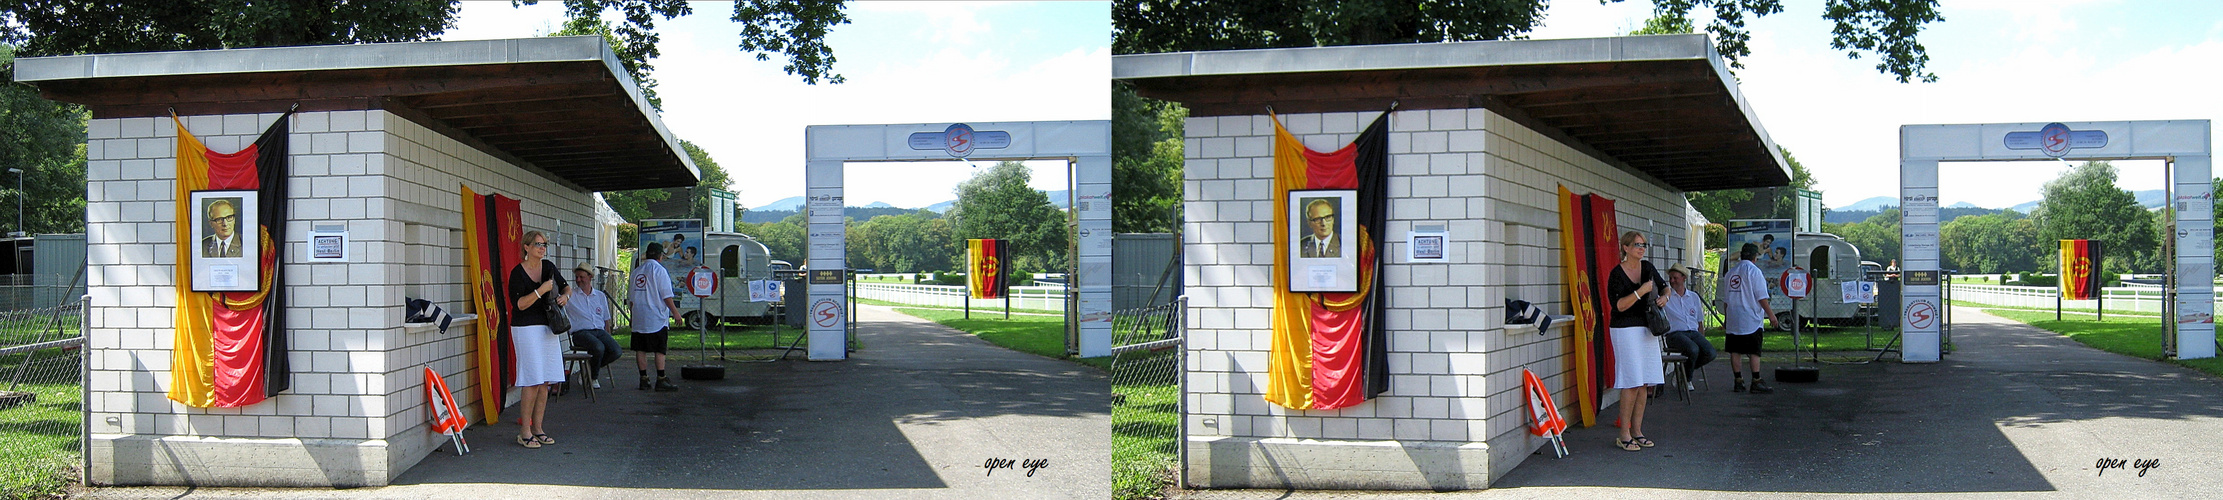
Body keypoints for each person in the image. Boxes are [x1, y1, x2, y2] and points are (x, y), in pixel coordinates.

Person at [1605, 231, 1667, 451]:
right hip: (1625, 328)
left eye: (1644, 245)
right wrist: (1641, 291)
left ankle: (1637, 431)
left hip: (1647, 327)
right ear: (1626, 248)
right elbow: (1619, 306)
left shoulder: (1648, 267)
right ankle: (1624, 433)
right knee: (1631, 381)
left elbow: (1664, 285)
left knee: (1644, 382)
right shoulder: (1616, 274)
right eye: (1637, 245)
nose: (1641, 248)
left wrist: (1664, 297)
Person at [507, 230, 568, 449]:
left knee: (545, 381)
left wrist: (565, 296)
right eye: (538, 244)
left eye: (544, 245)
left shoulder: (549, 267)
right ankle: (524, 432)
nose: (542, 248)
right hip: (525, 328)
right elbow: (520, 304)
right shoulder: (517, 273)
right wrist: (541, 291)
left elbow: (565, 285)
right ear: (526, 247)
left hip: (547, 327)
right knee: (532, 379)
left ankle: (538, 428)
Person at [1722, 242, 1776, 394]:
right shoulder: (1755, 272)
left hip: (1733, 317)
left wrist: (1727, 319)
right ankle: (1756, 380)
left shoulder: (1730, 273)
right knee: (1754, 351)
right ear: (1755, 257)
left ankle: (1738, 381)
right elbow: (1762, 297)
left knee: (1735, 350)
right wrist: (1771, 315)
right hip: (1750, 317)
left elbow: (1726, 300)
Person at [630, 242, 682, 392]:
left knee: (640, 348)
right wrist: (676, 313)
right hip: (656, 317)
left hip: (639, 316)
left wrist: (633, 316)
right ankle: (661, 378)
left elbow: (632, 298)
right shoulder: (660, 271)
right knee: (659, 349)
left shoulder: (636, 272)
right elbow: (666, 296)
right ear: (660, 256)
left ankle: (644, 379)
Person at [562, 262, 619, 389]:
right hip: (580, 333)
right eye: (576, 277)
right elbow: (559, 301)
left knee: (616, 351)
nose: (578, 280)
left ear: (590, 277)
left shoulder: (599, 296)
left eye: (581, 277)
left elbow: (606, 319)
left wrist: (607, 334)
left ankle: (587, 369)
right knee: (599, 347)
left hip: (599, 331)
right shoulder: (571, 295)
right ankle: (593, 377)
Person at [1662, 267, 1716, 390]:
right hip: (1675, 334)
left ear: (1684, 278)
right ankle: (1687, 379)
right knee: (1693, 349)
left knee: (1710, 353)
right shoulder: (1666, 297)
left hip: (1693, 332)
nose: (1672, 281)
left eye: (1675, 278)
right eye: (1670, 278)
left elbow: (1699, 320)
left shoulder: (1693, 296)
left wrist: (1702, 337)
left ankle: (1682, 371)